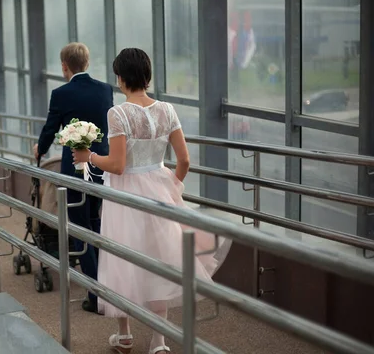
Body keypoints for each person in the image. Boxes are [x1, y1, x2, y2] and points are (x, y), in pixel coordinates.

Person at [72, 48, 230, 354]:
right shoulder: (167, 110)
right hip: (159, 188)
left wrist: (88, 156)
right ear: (146, 75)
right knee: (160, 260)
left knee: (123, 257)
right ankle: (158, 342)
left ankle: (125, 334)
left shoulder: (118, 113)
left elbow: (117, 165)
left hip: (127, 193)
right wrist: (172, 185)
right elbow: (184, 160)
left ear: (121, 77)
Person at [34, 42, 114, 314]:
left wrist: (40, 149)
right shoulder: (105, 90)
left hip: (75, 171)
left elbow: (50, 128)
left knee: (80, 230)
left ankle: (96, 294)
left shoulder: (60, 94)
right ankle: (108, 285)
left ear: (65, 66)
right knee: (97, 224)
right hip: (101, 167)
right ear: (87, 64)